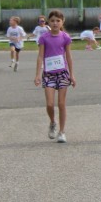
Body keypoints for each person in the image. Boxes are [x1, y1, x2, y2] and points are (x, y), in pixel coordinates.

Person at [36, 10, 76, 143]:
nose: (55, 23)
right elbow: (40, 56)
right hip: (48, 74)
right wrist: (37, 75)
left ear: (62, 22)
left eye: (58, 21)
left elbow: (69, 56)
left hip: (62, 73)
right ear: (48, 22)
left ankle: (62, 131)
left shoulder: (65, 37)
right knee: (50, 104)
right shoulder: (44, 38)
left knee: (61, 103)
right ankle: (53, 122)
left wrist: (72, 75)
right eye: (52, 21)